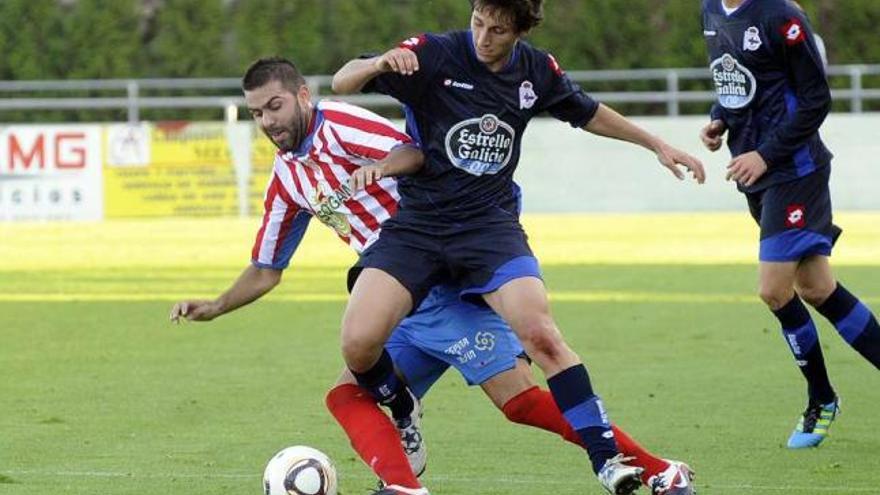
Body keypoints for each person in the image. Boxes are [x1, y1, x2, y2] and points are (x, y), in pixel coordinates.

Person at [170, 57, 695, 495]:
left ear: (303, 96)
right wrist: (216, 305)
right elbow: (267, 268)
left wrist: (384, 168)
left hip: (436, 279)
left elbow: (419, 151)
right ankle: (404, 473)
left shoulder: (343, 126)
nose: (267, 121)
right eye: (257, 112)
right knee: (347, 392)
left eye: (275, 106)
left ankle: (658, 469)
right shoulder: (288, 177)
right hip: (396, 299)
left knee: (521, 401)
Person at [332, 1, 705, 493]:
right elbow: (342, 82)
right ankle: (403, 406)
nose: (484, 38)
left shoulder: (536, 69)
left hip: (489, 227)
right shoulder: (433, 53)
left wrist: (656, 143)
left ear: (521, 32)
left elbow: (587, 112)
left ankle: (607, 460)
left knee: (541, 332)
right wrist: (379, 63)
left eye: (499, 31)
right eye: (478, 24)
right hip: (420, 227)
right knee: (357, 341)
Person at [699, 0, 880, 449]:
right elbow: (740, 79)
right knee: (818, 288)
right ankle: (825, 396)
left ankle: (822, 397)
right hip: (756, 173)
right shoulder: (709, 9)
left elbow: (816, 98)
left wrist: (765, 154)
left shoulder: (781, 14)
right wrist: (719, 117)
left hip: (794, 170)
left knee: (773, 289)